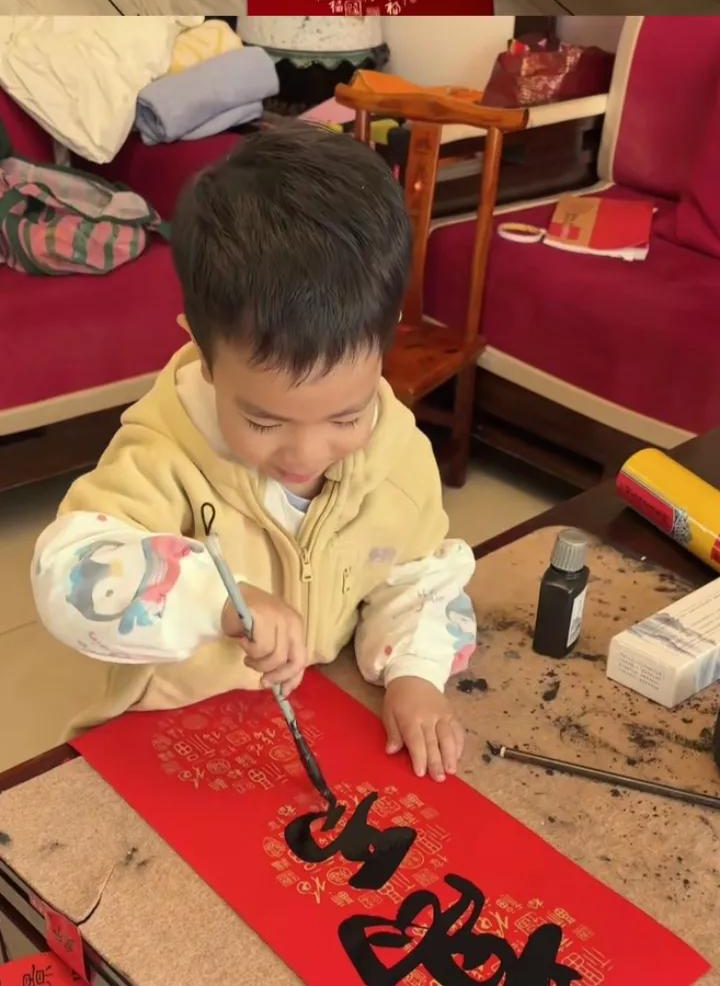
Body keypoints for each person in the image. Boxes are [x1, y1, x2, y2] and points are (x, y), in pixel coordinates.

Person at [32, 122, 477, 782]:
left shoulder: (398, 454)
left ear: (385, 347)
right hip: (172, 739)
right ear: (204, 354)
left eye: (346, 415)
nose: (308, 453)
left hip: (313, 722)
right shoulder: (165, 454)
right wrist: (213, 597)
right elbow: (66, 575)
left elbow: (416, 576)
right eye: (263, 420)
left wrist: (415, 671)